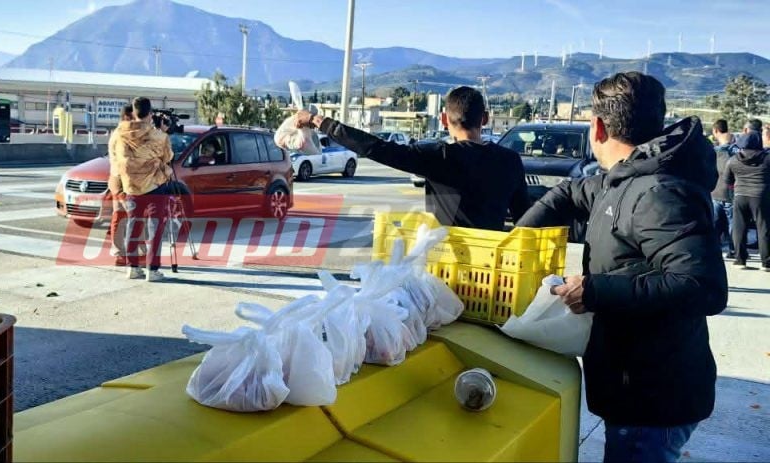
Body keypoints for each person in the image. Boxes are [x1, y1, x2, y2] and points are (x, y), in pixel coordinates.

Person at [517, 72, 727, 463]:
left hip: (652, 399)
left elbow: (704, 286)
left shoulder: (659, 193)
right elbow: (568, 192)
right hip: (634, 387)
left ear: (597, 127)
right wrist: (517, 240)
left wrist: (596, 290)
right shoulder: (625, 178)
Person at [295, 86, 530, 230]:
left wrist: (319, 121)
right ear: (485, 119)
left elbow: (375, 147)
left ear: (444, 119)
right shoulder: (510, 161)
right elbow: (524, 219)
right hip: (493, 268)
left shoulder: (439, 156)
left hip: (443, 266)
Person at [111, 97, 174, 282]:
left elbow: (115, 157)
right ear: (150, 113)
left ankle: (132, 267)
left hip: (131, 186)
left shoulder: (120, 133)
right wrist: (162, 131)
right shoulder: (158, 136)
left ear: (134, 112)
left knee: (133, 225)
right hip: (155, 186)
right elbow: (168, 156)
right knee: (155, 228)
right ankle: (152, 270)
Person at [723, 120, 770, 271]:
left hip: (740, 195)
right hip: (761, 196)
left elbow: (727, 180)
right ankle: (766, 262)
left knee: (739, 228)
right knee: (763, 228)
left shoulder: (733, 160)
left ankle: (740, 260)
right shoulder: (767, 159)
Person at [107, 105, 135, 266]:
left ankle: (121, 251)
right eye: (134, 118)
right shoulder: (122, 134)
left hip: (119, 178)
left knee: (121, 215)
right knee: (129, 214)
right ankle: (121, 252)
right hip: (122, 179)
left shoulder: (122, 133)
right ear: (126, 118)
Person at [710, 119, 737, 259]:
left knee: (715, 224)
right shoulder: (736, 150)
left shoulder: (714, 151)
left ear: (715, 131)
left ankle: (713, 249)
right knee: (732, 224)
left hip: (717, 192)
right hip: (731, 193)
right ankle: (733, 249)